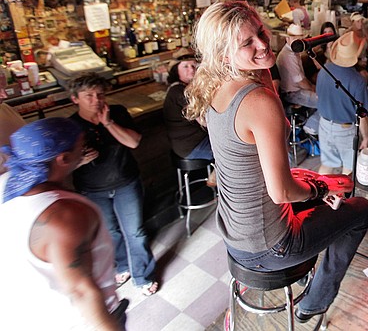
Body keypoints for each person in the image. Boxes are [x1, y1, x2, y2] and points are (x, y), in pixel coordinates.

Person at [184, 1, 368, 323]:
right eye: (247, 43)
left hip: (235, 230)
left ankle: (306, 264)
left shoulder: (219, 84)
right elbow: (281, 193)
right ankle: (315, 300)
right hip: (268, 246)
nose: (261, 43)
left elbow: (258, 168)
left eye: (260, 32)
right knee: (360, 209)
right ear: (225, 56)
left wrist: (316, 184)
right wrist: (315, 191)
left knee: (319, 182)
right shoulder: (257, 100)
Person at [0, 118, 127, 330]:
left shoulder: (6, 183)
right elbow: (80, 290)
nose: (84, 149)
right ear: (64, 158)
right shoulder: (65, 214)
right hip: (84, 321)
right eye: (81, 146)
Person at [68, 73, 159, 296]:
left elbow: (133, 142)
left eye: (99, 94)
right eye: (88, 95)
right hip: (91, 189)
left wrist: (108, 123)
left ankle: (143, 276)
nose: (95, 100)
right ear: (75, 99)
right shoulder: (70, 126)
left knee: (135, 232)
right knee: (110, 232)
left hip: (126, 182)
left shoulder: (116, 112)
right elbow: (63, 165)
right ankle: (123, 266)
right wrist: (78, 161)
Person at [316, 32, 368, 175]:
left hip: (324, 124)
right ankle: (342, 197)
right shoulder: (357, 81)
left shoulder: (324, 70)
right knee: (348, 168)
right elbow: (362, 116)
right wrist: (366, 137)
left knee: (327, 165)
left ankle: (318, 195)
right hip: (345, 130)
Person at [163, 54, 214, 163]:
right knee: (230, 152)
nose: (191, 69)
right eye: (185, 66)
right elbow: (204, 122)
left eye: (193, 65)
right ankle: (213, 179)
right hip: (192, 145)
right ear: (176, 70)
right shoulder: (181, 91)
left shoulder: (186, 88)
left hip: (191, 142)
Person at [277, 23, 320, 134]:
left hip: (295, 91)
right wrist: (314, 88)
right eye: (294, 38)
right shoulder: (288, 56)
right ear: (287, 38)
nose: (298, 42)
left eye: (300, 39)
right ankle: (310, 126)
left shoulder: (293, 53)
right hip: (293, 93)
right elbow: (301, 82)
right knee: (325, 101)